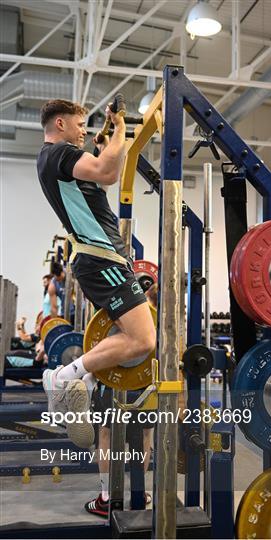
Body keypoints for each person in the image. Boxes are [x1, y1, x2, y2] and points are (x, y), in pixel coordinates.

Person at [37, 99, 156, 448]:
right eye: (79, 124)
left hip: (102, 259)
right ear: (60, 124)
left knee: (133, 340)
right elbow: (107, 172)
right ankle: (63, 377)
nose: (84, 131)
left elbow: (99, 176)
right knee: (143, 340)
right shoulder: (58, 154)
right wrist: (119, 128)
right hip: (101, 258)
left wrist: (107, 148)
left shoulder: (55, 161)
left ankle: (83, 381)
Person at [85, 284, 158, 517]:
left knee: (105, 433)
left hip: (113, 380)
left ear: (145, 294)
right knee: (145, 435)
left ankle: (106, 497)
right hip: (147, 383)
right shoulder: (165, 322)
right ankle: (139, 494)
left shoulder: (125, 310)